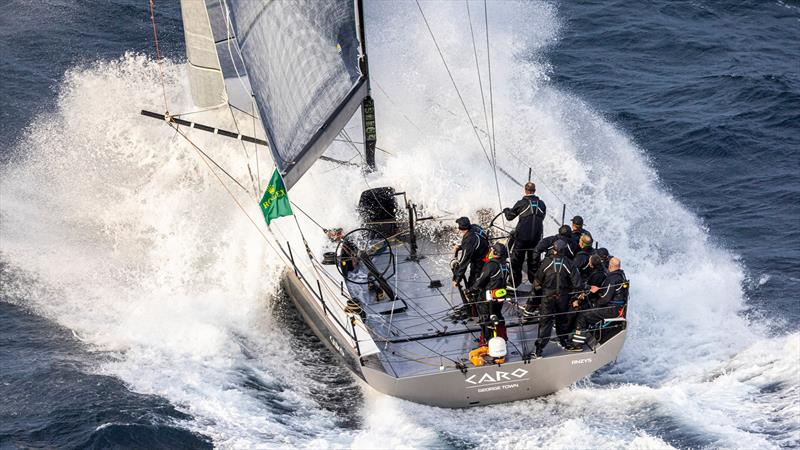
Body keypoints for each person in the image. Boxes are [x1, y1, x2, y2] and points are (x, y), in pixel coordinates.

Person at [532, 240, 581, 357]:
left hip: (547, 296)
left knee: (545, 322)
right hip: (563, 297)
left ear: (554, 250)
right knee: (562, 319)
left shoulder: (546, 262)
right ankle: (564, 342)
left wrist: (536, 297)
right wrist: (575, 296)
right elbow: (577, 284)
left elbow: (537, 281)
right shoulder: (570, 264)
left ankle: (539, 350)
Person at [571, 257, 628, 348]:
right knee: (588, 309)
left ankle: (576, 344)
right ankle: (582, 334)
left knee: (583, 316)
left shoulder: (612, 279)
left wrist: (594, 303)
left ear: (610, 266)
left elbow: (605, 298)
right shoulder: (621, 275)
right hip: (616, 307)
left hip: (612, 309)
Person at [503, 182, 547, 287]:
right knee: (533, 262)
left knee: (516, 262)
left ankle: (514, 284)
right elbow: (541, 218)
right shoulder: (542, 204)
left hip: (522, 239)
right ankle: (535, 284)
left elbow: (509, 217)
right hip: (536, 239)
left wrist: (506, 210)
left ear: (525, 190)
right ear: (534, 190)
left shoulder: (521, 203)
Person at [471, 242, 510, 342]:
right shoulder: (505, 264)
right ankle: (502, 337)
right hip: (500, 294)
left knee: (485, 317)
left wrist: (472, 289)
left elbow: (482, 279)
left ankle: (485, 340)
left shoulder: (491, 264)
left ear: (495, 252)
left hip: (488, 295)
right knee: (498, 314)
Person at [452, 217, 490, 289]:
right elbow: (474, 244)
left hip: (481, 259)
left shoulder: (469, 240)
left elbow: (464, 262)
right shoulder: (475, 226)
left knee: (474, 280)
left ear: (461, 229)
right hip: (485, 250)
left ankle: (474, 294)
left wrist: (457, 279)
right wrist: (460, 247)